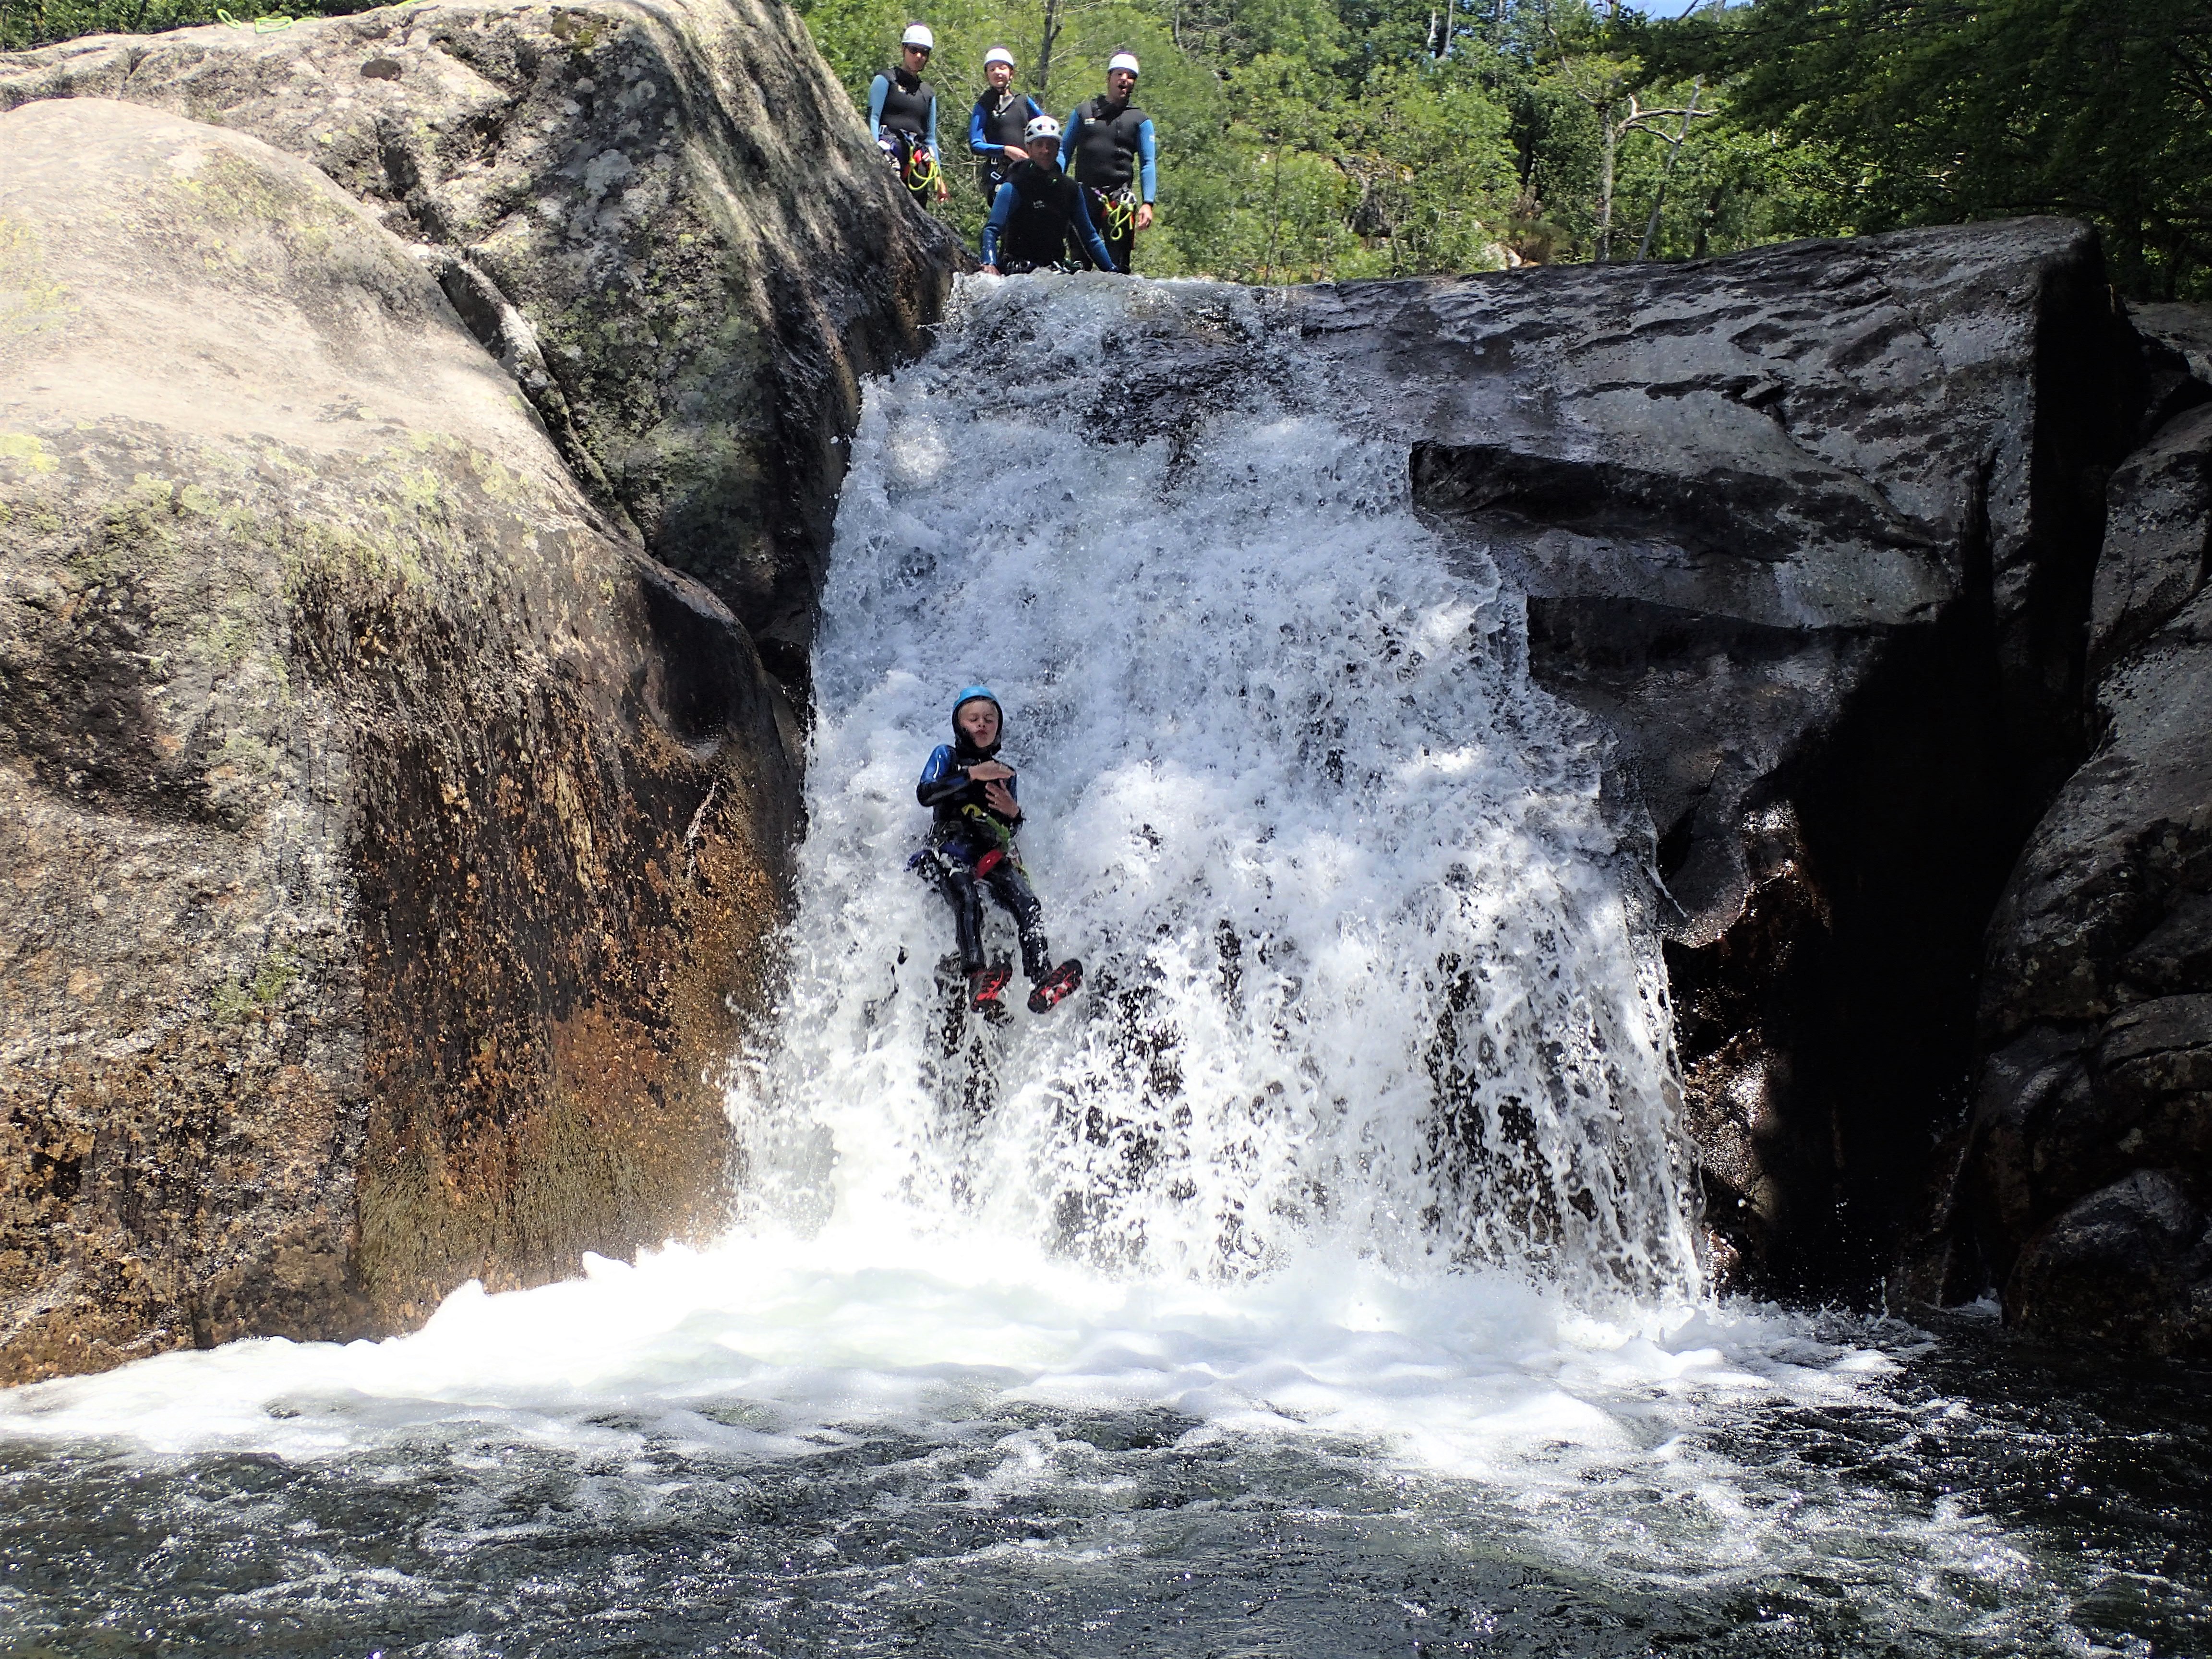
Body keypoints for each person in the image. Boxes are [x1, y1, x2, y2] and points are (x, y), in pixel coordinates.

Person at [912, 686, 1082, 1013]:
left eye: (989, 720)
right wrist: (973, 774)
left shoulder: (1005, 773)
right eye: (973, 719)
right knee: (967, 899)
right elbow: (926, 793)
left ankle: (1042, 977)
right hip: (951, 848)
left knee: (1027, 902)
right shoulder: (946, 757)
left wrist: (1014, 812)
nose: (982, 725)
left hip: (989, 852)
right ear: (959, 725)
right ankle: (977, 975)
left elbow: (1011, 828)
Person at [978, 116, 1119, 276]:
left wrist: (1113, 272)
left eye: (1051, 144)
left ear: (1058, 148)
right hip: (1019, 268)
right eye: (1039, 144)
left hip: (1054, 268)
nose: (1045, 151)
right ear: (1029, 149)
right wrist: (990, 263)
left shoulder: (1070, 189)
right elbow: (991, 230)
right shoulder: (1013, 186)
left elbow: (1090, 238)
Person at [1058, 51, 1156, 274]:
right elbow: (1064, 150)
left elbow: (1148, 163)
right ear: (1109, 77)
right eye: (1120, 74)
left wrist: (1148, 203)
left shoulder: (1140, 120)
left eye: (1130, 76)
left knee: (1118, 269)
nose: (1124, 79)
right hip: (1083, 197)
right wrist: (1053, 184)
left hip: (1119, 200)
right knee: (1079, 266)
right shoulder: (1084, 113)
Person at [867, 24, 948, 207]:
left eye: (924, 52)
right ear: (904, 49)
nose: (919, 56)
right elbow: (873, 118)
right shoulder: (885, 80)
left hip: (918, 156)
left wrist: (939, 179)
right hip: (889, 148)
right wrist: (873, 155)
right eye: (914, 50)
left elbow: (931, 139)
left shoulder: (928, 94)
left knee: (918, 207)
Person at [967, 46, 1041, 208]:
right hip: (999, 174)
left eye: (1002, 68)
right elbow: (975, 144)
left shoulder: (1023, 102)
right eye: (992, 69)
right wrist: (1006, 150)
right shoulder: (983, 105)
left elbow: (1048, 129)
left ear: (1011, 73)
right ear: (987, 74)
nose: (997, 72)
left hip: (1027, 172)